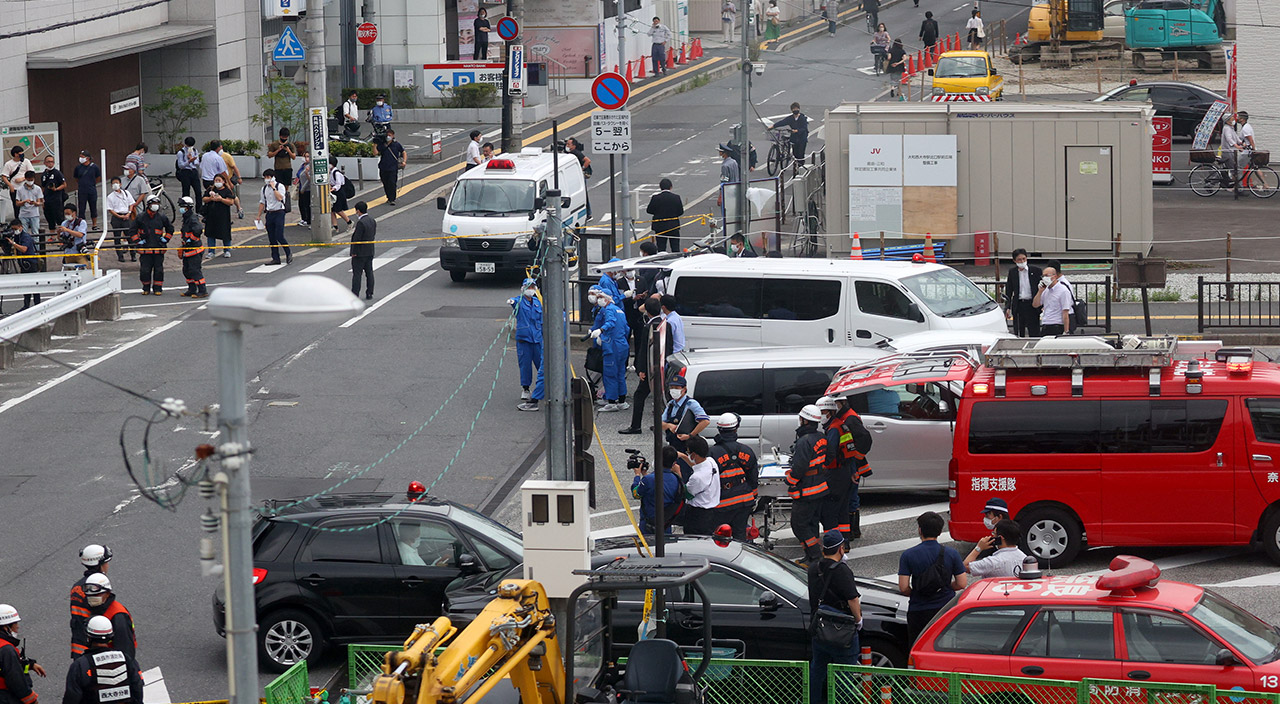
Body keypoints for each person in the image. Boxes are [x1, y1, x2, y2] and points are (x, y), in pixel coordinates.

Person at [807, 530, 861, 704]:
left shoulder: (814, 568)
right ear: (841, 549)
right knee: (844, 672)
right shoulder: (842, 570)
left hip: (820, 627)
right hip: (842, 629)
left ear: (823, 549)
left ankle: (813, 700)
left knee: (817, 668)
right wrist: (858, 620)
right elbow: (852, 598)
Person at [898, 511, 967, 644]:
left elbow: (903, 587)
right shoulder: (952, 554)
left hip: (919, 610)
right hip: (945, 607)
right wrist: (946, 586)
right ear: (940, 532)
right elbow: (962, 583)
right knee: (945, 646)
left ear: (920, 530)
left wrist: (917, 591)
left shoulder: (908, 555)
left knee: (919, 645)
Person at [819, 395, 873, 542]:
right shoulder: (841, 420)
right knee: (845, 504)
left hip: (843, 468)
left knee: (842, 504)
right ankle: (848, 535)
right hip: (847, 466)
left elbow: (864, 440)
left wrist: (857, 458)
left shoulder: (848, 419)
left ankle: (850, 533)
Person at [62, 616, 143, 704]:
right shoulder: (126, 659)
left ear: (89, 637)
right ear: (110, 637)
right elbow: (137, 688)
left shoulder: (81, 665)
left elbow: (72, 698)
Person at [786, 404, 829, 562]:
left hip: (807, 490)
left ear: (804, 420)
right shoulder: (821, 437)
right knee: (811, 523)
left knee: (799, 525)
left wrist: (789, 480)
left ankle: (815, 555)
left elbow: (799, 468)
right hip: (820, 487)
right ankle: (811, 556)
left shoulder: (804, 441)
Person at [620, 296, 666, 434]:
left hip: (649, 368)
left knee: (639, 395)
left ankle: (636, 426)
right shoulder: (664, 323)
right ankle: (660, 424)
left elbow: (644, 350)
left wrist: (641, 369)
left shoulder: (648, 327)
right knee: (660, 397)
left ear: (647, 311)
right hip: (661, 366)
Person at [709, 413, 759, 540]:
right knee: (740, 535)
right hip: (744, 501)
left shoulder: (712, 453)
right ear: (736, 429)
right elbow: (753, 478)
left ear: (719, 429)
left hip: (723, 503)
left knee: (720, 536)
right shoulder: (747, 450)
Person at [80, 575, 136, 663]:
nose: (92, 598)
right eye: (89, 596)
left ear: (107, 593)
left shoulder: (118, 615)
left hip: (113, 663)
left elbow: (125, 650)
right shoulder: (97, 608)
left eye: (97, 594)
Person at [591, 289, 631, 411]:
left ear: (606, 298)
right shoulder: (619, 310)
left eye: (600, 297)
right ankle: (622, 400)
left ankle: (612, 402)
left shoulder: (609, 310)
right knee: (620, 373)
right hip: (622, 345)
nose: (599, 300)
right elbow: (626, 329)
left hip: (612, 346)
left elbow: (610, 323)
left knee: (610, 374)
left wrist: (601, 332)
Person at [70, 545, 112, 660]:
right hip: (95, 645)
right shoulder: (96, 588)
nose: (108, 566)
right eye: (106, 563)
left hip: (78, 645)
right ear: (100, 565)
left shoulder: (77, 587)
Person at [633, 445, 684, 534]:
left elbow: (636, 494)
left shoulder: (648, 480)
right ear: (674, 463)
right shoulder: (676, 480)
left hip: (648, 525)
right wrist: (645, 474)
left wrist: (637, 475)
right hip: (666, 523)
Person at [0, 604, 45, 704]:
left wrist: (30, 665)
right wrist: (31, 700)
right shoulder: (6, 650)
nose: (17, 627)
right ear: (6, 627)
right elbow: (16, 680)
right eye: (15, 623)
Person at [128, 196, 172, 296]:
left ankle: (158, 288)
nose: (155, 206)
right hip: (145, 250)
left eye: (157, 204)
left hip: (158, 249)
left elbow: (170, 229)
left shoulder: (162, 217)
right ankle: (146, 288)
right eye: (153, 204)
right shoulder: (140, 217)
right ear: (148, 205)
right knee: (145, 271)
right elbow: (132, 231)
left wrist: (165, 240)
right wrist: (138, 241)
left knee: (159, 270)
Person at [678, 435, 721, 535]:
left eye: (688, 453)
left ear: (693, 455)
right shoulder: (711, 462)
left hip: (697, 515)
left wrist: (678, 473)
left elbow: (687, 493)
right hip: (713, 512)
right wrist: (683, 457)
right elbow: (697, 465)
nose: (687, 454)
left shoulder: (697, 477)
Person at [510, 278, 543, 401]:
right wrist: (511, 301)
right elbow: (514, 302)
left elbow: (540, 319)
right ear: (523, 288)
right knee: (525, 365)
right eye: (528, 287)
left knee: (542, 365)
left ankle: (543, 388)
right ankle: (526, 388)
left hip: (537, 339)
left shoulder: (537, 302)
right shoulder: (519, 301)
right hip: (524, 340)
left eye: (532, 287)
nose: (530, 290)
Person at [964, 519, 1029, 580]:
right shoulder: (1025, 558)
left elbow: (964, 567)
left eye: (994, 534)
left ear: (1000, 538)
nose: (992, 537)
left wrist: (978, 548)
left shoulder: (993, 561)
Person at [661, 376, 709, 452]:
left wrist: (690, 436)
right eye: (672, 387)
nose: (674, 390)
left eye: (677, 388)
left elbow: (705, 421)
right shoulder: (671, 404)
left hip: (688, 447)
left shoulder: (691, 404)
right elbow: (660, 423)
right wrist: (669, 425)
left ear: (684, 389)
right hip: (673, 445)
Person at [1004, 249, 1042, 337]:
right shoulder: (1012, 272)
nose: (1022, 261)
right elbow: (1009, 289)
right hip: (1019, 304)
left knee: (1034, 330)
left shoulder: (1035, 271)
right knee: (1019, 330)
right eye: (1019, 260)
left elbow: (1042, 287)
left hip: (1032, 304)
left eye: (1024, 259)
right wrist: (1008, 307)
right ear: (1014, 261)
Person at [257, 169, 291, 265]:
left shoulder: (279, 186)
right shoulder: (264, 189)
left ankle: (288, 253)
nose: (266, 179)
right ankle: (275, 258)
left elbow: (280, 198)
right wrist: (258, 215)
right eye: (265, 177)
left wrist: (273, 188)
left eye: (268, 177)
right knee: (271, 237)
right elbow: (262, 202)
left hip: (279, 212)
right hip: (269, 213)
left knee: (279, 235)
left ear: (273, 177)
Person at [5, 221, 40, 308]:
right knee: (26, 285)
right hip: (23, 264)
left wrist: (13, 243)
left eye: (15, 229)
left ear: (21, 227)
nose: (14, 231)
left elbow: (24, 249)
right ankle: (26, 305)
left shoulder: (25, 237)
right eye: (12, 229)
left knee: (34, 285)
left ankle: (37, 305)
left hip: (31, 264)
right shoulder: (17, 237)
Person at [176, 197, 206, 298]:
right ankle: (192, 289)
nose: (181, 209)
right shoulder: (186, 217)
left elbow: (198, 230)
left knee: (195, 270)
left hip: (194, 250)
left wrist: (191, 240)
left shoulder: (192, 218)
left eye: (183, 207)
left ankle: (202, 290)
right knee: (187, 270)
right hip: (188, 249)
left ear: (188, 207)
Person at [645, 179, 684, 253]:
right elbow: (680, 212)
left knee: (661, 248)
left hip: (660, 227)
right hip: (673, 226)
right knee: (675, 248)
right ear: (671, 187)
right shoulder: (676, 197)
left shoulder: (655, 198)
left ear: (660, 187)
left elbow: (649, 210)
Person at [1032, 265, 1072, 336]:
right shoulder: (1045, 290)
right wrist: (1040, 292)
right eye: (1043, 276)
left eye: (1047, 275)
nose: (1044, 278)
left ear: (1055, 276)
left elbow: (1065, 312)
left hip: (1057, 325)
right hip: (1045, 324)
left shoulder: (1063, 290)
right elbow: (1035, 304)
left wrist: (1066, 331)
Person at [202, 174, 235, 258]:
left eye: (219, 180)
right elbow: (204, 199)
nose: (217, 182)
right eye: (216, 180)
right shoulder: (211, 189)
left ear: (223, 181)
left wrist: (221, 199)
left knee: (225, 233)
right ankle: (211, 251)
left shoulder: (227, 191)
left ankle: (227, 250)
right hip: (211, 215)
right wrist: (210, 198)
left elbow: (231, 202)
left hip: (223, 215)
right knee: (210, 233)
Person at [104, 177, 134, 263]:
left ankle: (133, 254)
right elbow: (110, 209)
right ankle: (120, 256)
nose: (115, 185)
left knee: (130, 237)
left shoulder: (126, 193)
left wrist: (129, 213)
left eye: (116, 183)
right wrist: (119, 216)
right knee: (117, 237)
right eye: (113, 183)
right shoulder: (110, 196)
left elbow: (131, 204)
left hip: (127, 216)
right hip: (117, 218)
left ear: (120, 184)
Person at [350, 201, 376, 299]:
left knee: (357, 274)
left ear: (358, 211)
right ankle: (370, 292)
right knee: (369, 273)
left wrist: (353, 252)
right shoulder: (372, 220)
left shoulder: (361, 223)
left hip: (360, 253)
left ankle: (355, 294)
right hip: (369, 250)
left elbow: (357, 239)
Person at [267, 129, 297, 212]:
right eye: (283, 136)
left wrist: (288, 151)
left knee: (286, 186)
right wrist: (278, 150)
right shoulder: (274, 144)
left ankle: (285, 204)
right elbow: (269, 155)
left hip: (287, 168)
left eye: (286, 137)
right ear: (280, 136)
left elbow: (294, 157)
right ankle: (278, 202)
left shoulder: (290, 145)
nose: (284, 138)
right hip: (278, 168)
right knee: (278, 186)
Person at [376, 129, 407, 206]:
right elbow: (375, 153)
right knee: (385, 183)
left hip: (393, 167)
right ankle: (388, 197)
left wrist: (404, 161)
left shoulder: (396, 144)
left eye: (390, 135)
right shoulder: (382, 144)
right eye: (387, 135)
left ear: (393, 136)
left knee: (392, 183)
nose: (388, 137)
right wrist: (375, 143)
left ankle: (392, 199)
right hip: (383, 167)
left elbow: (403, 152)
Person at [72, 152, 101, 230]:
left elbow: (98, 177)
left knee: (93, 208)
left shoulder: (94, 167)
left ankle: (94, 225)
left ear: (87, 158)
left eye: (82, 157)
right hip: (82, 190)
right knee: (81, 208)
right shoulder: (78, 167)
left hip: (91, 190)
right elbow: (76, 178)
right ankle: (82, 225)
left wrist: (92, 183)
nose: (80, 158)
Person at [564, 137, 592, 218]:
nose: (567, 146)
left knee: (584, 194)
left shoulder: (576, 152)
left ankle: (588, 213)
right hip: (576, 175)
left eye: (569, 144)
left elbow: (588, 160)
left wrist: (581, 169)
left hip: (581, 174)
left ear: (574, 146)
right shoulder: (570, 152)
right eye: (566, 144)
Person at [55, 204, 88, 269]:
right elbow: (61, 239)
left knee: (84, 271)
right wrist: (58, 233)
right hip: (68, 253)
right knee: (69, 272)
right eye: (65, 214)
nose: (67, 215)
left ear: (74, 213)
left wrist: (67, 230)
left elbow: (80, 234)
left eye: (68, 213)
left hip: (79, 253)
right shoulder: (64, 223)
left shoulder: (81, 222)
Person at [3, 146, 34, 216]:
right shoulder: (8, 164)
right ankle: (18, 221)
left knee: (27, 205)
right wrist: (10, 186)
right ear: (15, 154)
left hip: (25, 187)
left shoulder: (26, 161)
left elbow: (31, 173)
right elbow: (4, 176)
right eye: (20, 153)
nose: (22, 154)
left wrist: (23, 179)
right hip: (15, 188)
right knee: (16, 206)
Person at [41, 156, 68, 233]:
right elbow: (43, 186)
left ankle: (62, 235)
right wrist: (42, 199)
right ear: (45, 163)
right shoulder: (44, 174)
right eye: (48, 162)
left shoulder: (57, 173)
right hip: (47, 199)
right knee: (50, 218)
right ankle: (52, 236)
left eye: (52, 162)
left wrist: (56, 189)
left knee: (59, 218)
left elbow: (64, 184)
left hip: (56, 200)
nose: (50, 163)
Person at [716, 144, 740, 209]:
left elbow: (724, 181)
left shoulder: (725, 166)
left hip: (728, 191)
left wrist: (720, 195)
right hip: (736, 188)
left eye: (720, 151)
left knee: (726, 210)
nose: (719, 153)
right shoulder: (734, 162)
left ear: (724, 153)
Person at [330, 161, 353, 232]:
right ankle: (335, 226)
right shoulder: (330, 172)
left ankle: (349, 222)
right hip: (333, 192)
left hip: (339, 193)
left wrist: (332, 189)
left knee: (338, 210)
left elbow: (338, 184)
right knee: (332, 210)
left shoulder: (336, 173)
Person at [294, 150, 312, 229]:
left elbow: (310, 179)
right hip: (301, 186)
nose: (306, 158)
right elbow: (299, 175)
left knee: (307, 205)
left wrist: (307, 173)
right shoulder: (302, 166)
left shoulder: (309, 166)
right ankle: (303, 218)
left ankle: (308, 220)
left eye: (308, 156)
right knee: (301, 204)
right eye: (305, 156)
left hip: (307, 188)